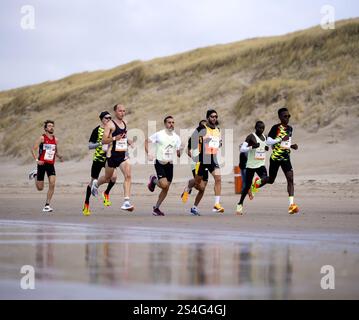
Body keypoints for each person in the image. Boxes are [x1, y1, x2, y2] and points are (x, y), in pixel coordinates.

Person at [252, 107, 299, 214]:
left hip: (286, 157)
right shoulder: (275, 128)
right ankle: (256, 184)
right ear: (280, 117)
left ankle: (291, 205)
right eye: (285, 116)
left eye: (288, 116)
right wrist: (279, 139)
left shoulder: (290, 128)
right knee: (271, 180)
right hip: (275, 159)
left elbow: (284, 143)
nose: (287, 118)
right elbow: (269, 141)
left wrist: (292, 146)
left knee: (290, 178)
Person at [91, 104, 134, 212]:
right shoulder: (110, 124)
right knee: (107, 178)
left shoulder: (125, 122)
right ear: (115, 112)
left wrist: (128, 140)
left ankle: (126, 202)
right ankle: (96, 184)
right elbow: (104, 140)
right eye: (120, 111)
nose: (122, 113)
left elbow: (123, 135)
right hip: (111, 155)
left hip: (122, 155)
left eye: (124, 111)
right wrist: (115, 138)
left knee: (128, 176)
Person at [145, 116, 182, 216]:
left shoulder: (176, 137)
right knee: (164, 185)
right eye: (169, 122)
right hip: (159, 163)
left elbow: (178, 152)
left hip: (169, 164)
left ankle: (156, 208)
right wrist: (148, 153)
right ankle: (153, 180)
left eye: (173, 122)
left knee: (166, 188)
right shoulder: (159, 134)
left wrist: (179, 152)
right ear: (165, 124)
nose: (171, 124)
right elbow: (146, 141)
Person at [189, 109, 224, 213]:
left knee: (218, 179)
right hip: (203, 159)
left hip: (213, 158)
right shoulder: (202, 128)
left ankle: (216, 204)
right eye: (212, 116)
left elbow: (219, 143)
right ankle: (188, 186)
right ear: (208, 117)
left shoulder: (218, 129)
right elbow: (192, 141)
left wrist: (218, 143)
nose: (214, 118)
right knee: (198, 184)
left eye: (216, 117)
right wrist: (203, 141)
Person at [82, 111, 117, 216]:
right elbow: (89, 146)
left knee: (114, 177)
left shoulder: (113, 129)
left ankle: (106, 193)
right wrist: (100, 143)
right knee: (92, 181)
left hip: (109, 158)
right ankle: (86, 204)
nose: (109, 119)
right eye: (106, 118)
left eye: (110, 118)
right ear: (101, 119)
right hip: (98, 158)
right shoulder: (97, 130)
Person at [28, 120, 64, 212]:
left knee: (52, 183)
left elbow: (55, 151)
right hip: (42, 164)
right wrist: (37, 160)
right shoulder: (42, 138)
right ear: (45, 128)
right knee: (40, 188)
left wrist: (59, 156)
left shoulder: (56, 140)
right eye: (49, 126)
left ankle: (47, 205)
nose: (51, 127)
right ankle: (35, 174)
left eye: (52, 126)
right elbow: (33, 149)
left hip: (51, 164)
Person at [236, 121, 269, 215]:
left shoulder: (265, 137)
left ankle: (254, 187)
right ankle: (240, 204)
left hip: (260, 164)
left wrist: (267, 147)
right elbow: (242, 149)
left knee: (266, 179)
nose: (261, 129)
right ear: (255, 127)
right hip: (250, 165)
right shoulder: (250, 136)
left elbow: (266, 145)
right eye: (259, 128)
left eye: (263, 128)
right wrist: (252, 147)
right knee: (246, 187)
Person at [181, 119, 209, 216]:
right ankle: (189, 186)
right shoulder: (195, 137)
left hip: (207, 163)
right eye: (203, 126)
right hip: (197, 164)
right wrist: (194, 158)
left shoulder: (209, 136)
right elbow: (187, 150)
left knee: (202, 188)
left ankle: (194, 207)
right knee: (200, 186)